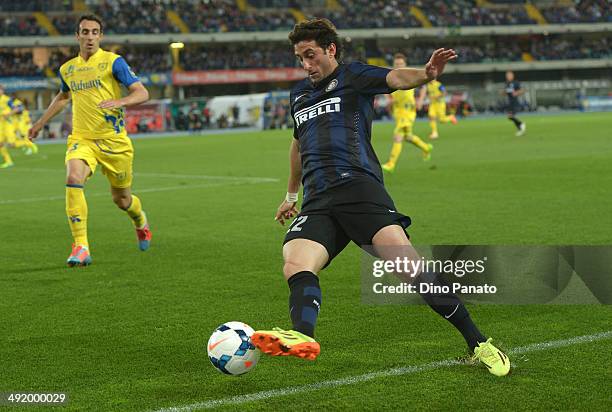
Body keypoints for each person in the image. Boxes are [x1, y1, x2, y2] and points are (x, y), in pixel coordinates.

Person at [252, 18, 510, 377]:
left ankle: (479, 343)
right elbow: (298, 145)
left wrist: (426, 74)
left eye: (310, 55)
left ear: (331, 50)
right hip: (318, 199)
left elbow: (395, 79)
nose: (306, 65)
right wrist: (290, 194)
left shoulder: (353, 77)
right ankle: (302, 336)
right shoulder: (298, 95)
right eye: (300, 58)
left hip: (358, 188)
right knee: (295, 261)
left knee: (410, 270)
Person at [29, 14, 152, 267]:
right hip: (82, 138)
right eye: (85, 32)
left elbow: (142, 92)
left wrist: (120, 101)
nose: (90, 37)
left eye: (95, 32)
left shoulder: (113, 62)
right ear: (78, 36)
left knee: (122, 200)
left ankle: (140, 219)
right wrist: (40, 123)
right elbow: (63, 97)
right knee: (73, 178)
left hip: (114, 142)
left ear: (101, 36)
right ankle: (81, 246)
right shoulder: (68, 69)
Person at [382, 53, 432, 173]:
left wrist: (420, 100)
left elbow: (424, 85)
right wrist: (388, 99)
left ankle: (391, 164)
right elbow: (384, 89)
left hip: (408, 110)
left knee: (398, 136)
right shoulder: (391, 75)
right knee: (408, 137)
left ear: (405, 64)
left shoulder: (409, 74)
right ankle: (426, 148)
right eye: (397, 64)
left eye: (401, 64)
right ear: (394, 64)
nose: (399, 65)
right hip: (398, 111)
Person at [504, 71, 526, 136]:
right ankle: (520, 129)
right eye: (507, 75)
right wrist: (503, 92)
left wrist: (517, 93)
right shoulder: (507, 84)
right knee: (510, 117)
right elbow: (506, 93)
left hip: (515, 102)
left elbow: (522, 90)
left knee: (510, 116)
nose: (508, 76)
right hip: (510, 102)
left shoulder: (515, 83)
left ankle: (521, 124)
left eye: (509, 75)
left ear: (512, 76)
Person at [0, 84, 16, 168]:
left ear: (2, 90)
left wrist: (8, 114)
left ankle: (27, 144)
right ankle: (8, 161)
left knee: (12, 144)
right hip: (1, 125)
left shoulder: (7, 100)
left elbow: (16, 109)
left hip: (8, 124)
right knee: (0, 144)